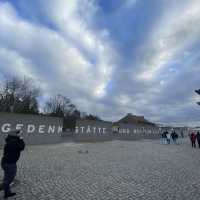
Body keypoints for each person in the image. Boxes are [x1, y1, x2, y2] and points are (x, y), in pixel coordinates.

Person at [1, 129, 25, 198]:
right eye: (19, 133)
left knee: (6, 179)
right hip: (10, 164)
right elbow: (22, 147)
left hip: (5, 162)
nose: (21, 134)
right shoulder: (14, 142)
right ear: (16, 134)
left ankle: (7, 193)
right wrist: (21, 139)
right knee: (9, 180)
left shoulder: (10, 140)